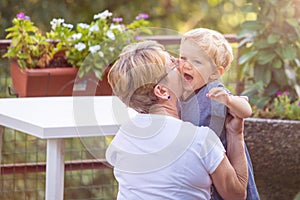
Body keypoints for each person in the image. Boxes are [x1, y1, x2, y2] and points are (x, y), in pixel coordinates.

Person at [105, 40, 248, 199]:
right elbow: (237, 195)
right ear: (161, 90)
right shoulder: (200, 140)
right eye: (172, 63)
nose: (180, 63)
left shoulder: (123, 136)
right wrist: (236, 133)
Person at [179, 28, 260, 199]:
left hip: (227, 164)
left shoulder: (213, 90)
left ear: (215, 73)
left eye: (196, 62)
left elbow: (246, 110)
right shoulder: (185, 92)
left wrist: (229, 101)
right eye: (182, 58)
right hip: (207, 166)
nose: (185, 65)